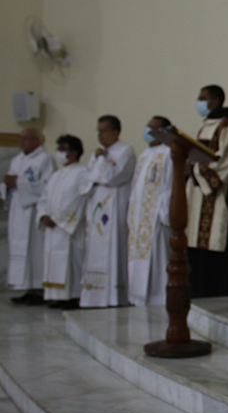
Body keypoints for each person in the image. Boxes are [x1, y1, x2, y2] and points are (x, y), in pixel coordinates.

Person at [187, 85, 228, 298]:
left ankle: (219, 294)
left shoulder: (225, 127)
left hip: (217, 198)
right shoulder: (206, 127)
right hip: (200, 198)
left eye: (203, 98)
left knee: (216, 242)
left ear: (216, 101)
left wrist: (194, 169)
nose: (199, 102)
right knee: (199, 248)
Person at [80, 115, 136, 308]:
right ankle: (94, 297)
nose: (100, 135)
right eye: (98, 130)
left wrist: (102, 162)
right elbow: (86, 178)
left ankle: (115, 296)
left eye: (103, 130)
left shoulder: (125, 152)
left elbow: (113, 177)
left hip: (114, 208)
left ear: (115, 132)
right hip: (96, 207)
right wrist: (99, 168)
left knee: (114, 249)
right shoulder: (97, 153)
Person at [38, 135, 89, 309]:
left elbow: (79, 200)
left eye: (62, 149)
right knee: (53, 260)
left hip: (67, 228)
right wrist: (43, 215)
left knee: (70, 262)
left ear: (74, 153)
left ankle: (73, 296)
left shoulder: (82, 173)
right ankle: (57, 296)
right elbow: (43, 198)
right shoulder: (56, 175)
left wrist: (58, 219)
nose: (58, 153)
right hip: (52, 227)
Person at [2, 128, 53, 304]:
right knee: (19, 250)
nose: (22, 142)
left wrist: (18, 183)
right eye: (21, 138)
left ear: (38, 140)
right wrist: (7, 185)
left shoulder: (44, 159)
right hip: (18, 211)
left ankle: (39, 289)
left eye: (26, 138)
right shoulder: (17, 160)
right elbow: (11, 184)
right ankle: (27, 288)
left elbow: (47, 186)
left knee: (34, 251)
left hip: (33, 212)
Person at [127, 116, 173, 306]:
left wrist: (164, 213)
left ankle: (158, 297)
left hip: (156, 217)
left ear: (164, 132)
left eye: (153, 128)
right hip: (139, 219)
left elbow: (170, 185)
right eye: (147, 127)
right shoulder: (144, 154)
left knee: (158, 259)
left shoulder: (169, 152)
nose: (148, 132)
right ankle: (137, 298)